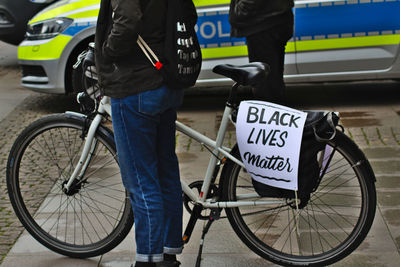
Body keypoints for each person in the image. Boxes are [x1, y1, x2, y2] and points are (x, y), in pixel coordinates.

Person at [94, 0, 193, 266]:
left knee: (141, 180)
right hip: (165, 79)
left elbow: (127, 20)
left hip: (135, 85)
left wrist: (107, 51)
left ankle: (148, 259)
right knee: (166, 174)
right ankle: (168, 251)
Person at [229, 0, 294, 104]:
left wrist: (240, 11)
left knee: (266, 85)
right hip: (272, 20)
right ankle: (275, 112)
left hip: (262, 24)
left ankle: (270, 115)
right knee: (273, 80)